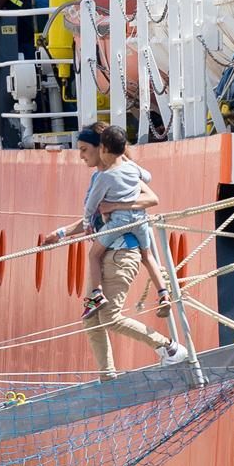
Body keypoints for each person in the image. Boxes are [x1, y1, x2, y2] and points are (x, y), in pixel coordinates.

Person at [42, 124, 187, 381]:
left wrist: (115, 205)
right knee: (91, 319)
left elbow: (151, 198)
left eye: (85, 150)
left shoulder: (117, 174)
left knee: (110, 317)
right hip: (107, 251)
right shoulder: (100, 178)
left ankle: (168, 347)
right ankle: (108, 376)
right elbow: (92, 220)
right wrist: (62, 233)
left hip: (122, 254)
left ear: (103, 148)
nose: (81, 156)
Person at [81, 126, 171, 320]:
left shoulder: (104, 177)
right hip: (140, 220)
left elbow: (91, 205)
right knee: (147, 257)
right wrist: (129, 163)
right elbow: (147, 177)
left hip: (119, 224)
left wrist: (88, 222)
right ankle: (163, 294)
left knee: (93, 255)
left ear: (102, 148)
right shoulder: (131, 168)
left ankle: (96, 295)